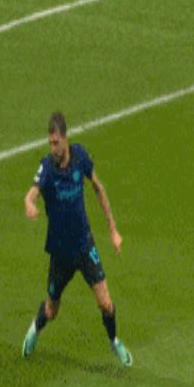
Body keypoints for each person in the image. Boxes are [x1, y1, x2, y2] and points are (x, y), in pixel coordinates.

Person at [21, 111, 132, 367]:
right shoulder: (47, 167)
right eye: (50, 143)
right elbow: (31, 193)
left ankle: (114, 341)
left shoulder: (80, 156)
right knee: (52, 311)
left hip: (84, 244)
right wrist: (29, 204)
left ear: (65, 138)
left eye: (56, 142)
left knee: (106, 303)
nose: (53, 148)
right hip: (60, 252)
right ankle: (35, 328)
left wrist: (113, 230)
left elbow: (98, 188)